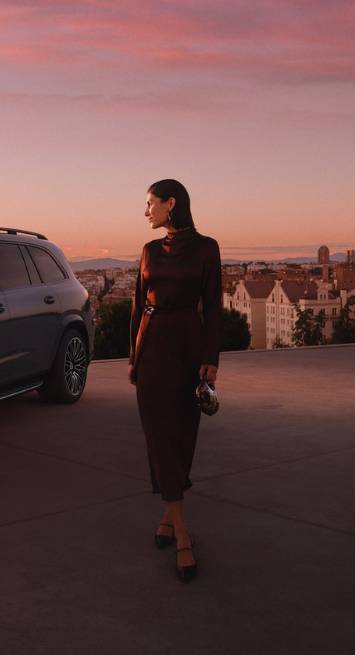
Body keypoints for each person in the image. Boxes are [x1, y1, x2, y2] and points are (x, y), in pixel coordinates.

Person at [127, 179, 221, 583]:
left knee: (182, 435)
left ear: (171, 203)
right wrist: (133, 357)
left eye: (150, 203)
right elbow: (137, 306)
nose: (146, 211)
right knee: (160, 437)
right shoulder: (148, 250)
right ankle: (182, 532)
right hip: (152, 350)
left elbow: (213, 306)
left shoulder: (207, 248)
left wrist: (211, 357)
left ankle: (169, 516)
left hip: (188, 350)